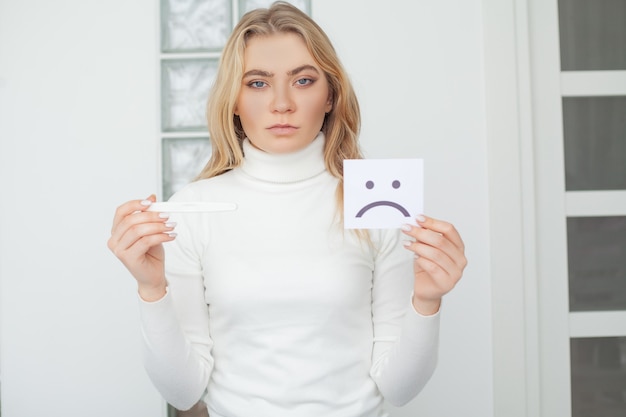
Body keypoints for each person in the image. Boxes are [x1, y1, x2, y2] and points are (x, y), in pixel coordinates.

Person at [107, 2, 467, 416]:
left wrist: (427, 301)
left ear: (330, 95)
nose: (282, 103)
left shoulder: (375, 202)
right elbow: (184, 391)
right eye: (258, 83)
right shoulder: (195, 208)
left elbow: (399, 388)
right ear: (234, 100)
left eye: (303, 80)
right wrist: (152, 292)